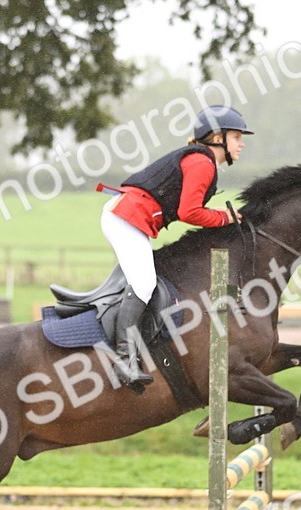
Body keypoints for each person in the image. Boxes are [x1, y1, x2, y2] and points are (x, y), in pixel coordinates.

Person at [100, 104, 253, 390]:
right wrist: (224, 217)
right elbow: (189, 213)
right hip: (125, 218)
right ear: (217, 137)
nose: (241, 143)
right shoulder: (202, 162)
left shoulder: (202, 160)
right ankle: (123, 359)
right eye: (236, 136)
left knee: (145, 282)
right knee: (144, 285)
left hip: (129, 217)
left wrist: (221, 214)